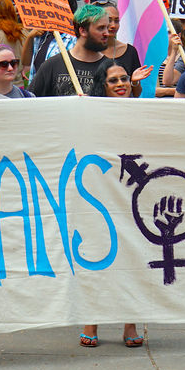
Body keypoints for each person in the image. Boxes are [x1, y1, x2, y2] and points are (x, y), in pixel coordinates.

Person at [78, 59, 145, 347]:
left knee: (132, 256)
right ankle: (91, 321)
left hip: (132, 192)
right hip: (100, 193)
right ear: (102, 87)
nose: (120, 84)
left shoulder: (140, 110)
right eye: (113, 80)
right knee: (98, 255)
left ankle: (130, 324)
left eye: (124, 79)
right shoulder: (92, 112)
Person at [29, 4, 110, 96]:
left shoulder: (111, 68)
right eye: (101, 28)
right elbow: (30, 102)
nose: (107, 33)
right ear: (82, 31)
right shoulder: (52, 65)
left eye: (107, 28)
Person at [100, 1, 153, 97]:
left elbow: (136, 93)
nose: (113, 25)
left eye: (116, 21)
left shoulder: (130, 51)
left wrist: (134, 82)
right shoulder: (89, 51)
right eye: (109, 20)